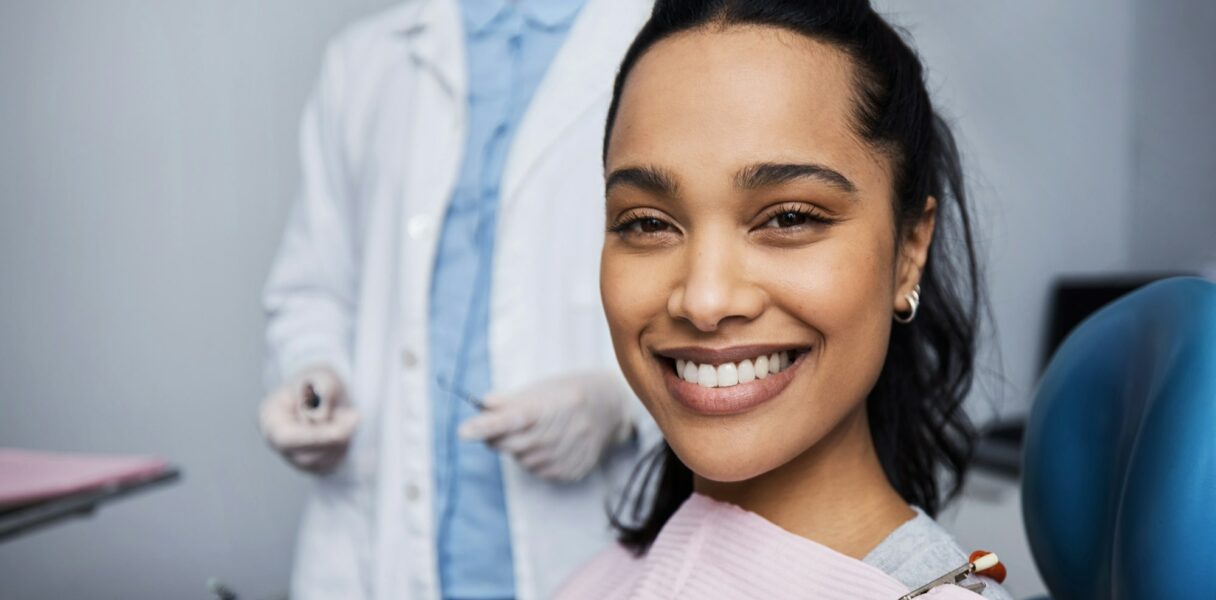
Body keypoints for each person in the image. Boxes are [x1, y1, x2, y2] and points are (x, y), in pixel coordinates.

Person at [559, 1, 1014, 598]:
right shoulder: (602, 580)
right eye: (647, 224)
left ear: (908, 249)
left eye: (790, 217)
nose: (705, 299)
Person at [257, 1, 658, 598]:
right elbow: (314, 288)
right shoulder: (367, 60)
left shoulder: (671, 35)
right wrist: (315, 374)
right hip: (379, 551)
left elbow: (729, 293)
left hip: (591, 545)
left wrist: (624, 405)